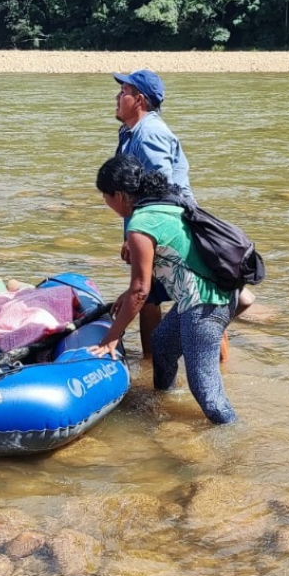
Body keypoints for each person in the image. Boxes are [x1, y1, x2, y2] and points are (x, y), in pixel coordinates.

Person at [90, 154, 239, 424]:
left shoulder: (139, 225)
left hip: (204, 304)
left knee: (207, 393)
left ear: (120, 195)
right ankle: (164, 402)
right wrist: (128, 294)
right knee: (162, 344)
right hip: (213, 294)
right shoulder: (165, 205)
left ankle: (233, 445)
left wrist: (111, 337)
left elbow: (140, 292)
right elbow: (174, 257)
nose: (106, 203)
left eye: (106, 196)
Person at [112, 69, 199, 359]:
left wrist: (139, 237)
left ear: (139, 100)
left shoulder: (150, 134)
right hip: (150, 226)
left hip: (165, 228)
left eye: (123, 92)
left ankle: (216, 365)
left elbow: (158, 188)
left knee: (192, 299)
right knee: (150, 297)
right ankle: (153, 365)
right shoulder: (132, 131)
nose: (117, 96)